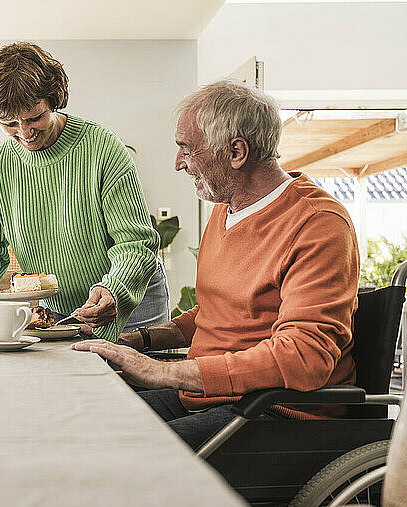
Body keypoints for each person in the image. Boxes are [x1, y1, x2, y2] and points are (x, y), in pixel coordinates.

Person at [73, 80, 359, 449]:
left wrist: (163, 371)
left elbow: (304, 355)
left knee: (120, 453)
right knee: (82, 426)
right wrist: (139, 341)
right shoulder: (226, 210)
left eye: (186, 150)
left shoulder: (316, 223)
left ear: (236, 152)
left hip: (277, 409)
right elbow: (217, 312)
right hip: (208, 396)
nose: (178, 164)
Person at [0, 42, 169, 342]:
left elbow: (136, 241)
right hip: (59, 310)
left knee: (131, 388)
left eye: (35, 117)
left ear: (53, 100)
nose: (24, 132)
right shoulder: (0, 165)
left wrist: (114, 288)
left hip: (131, 299)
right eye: (9, 123)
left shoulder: (101, 146)